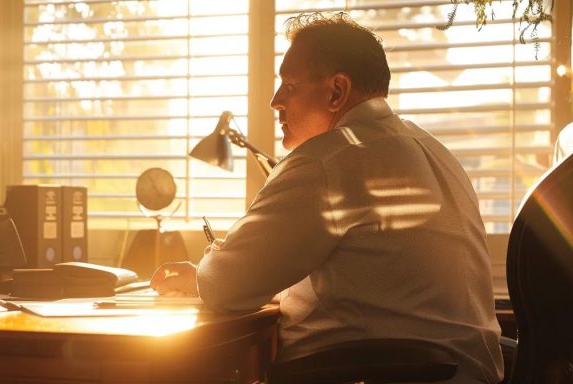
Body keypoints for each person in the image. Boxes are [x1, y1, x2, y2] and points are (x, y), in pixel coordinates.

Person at [151, 12, 504, 383]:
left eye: (289, 84)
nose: (275, 101)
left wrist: (207, 268)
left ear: (336, 91)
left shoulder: (330, 159)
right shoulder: (434, 151)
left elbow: (226, 288)